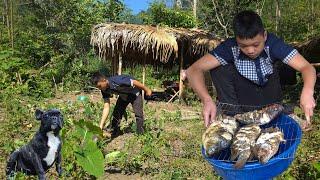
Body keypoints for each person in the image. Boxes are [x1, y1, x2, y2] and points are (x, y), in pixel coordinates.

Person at [186, 10, 316, 129]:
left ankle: (279, 112)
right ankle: (234, 117)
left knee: (284, 64)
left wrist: (308, 92)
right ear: (236, 39)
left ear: (264, 36)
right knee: (218, 68)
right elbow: (194, 70)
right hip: (243, 98)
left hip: (269, 96)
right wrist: (206, 100)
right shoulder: (229, 47)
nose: (250, 50)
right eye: (243, 46)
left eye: (256, 44)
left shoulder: (274, 44)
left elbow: (307, 67)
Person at [91, 72, 152, 138]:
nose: (100, 88)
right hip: (123, 96)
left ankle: (141, 134)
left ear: (104, 80)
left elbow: (134, 82)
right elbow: (106, 107)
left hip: (135, 95)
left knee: (138, 114)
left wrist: (147, 90)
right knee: (117, 113)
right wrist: (100, 126)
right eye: (98, 87)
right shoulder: (104, 90)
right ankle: (114, 131)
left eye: (100, 86)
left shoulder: (117, 80)